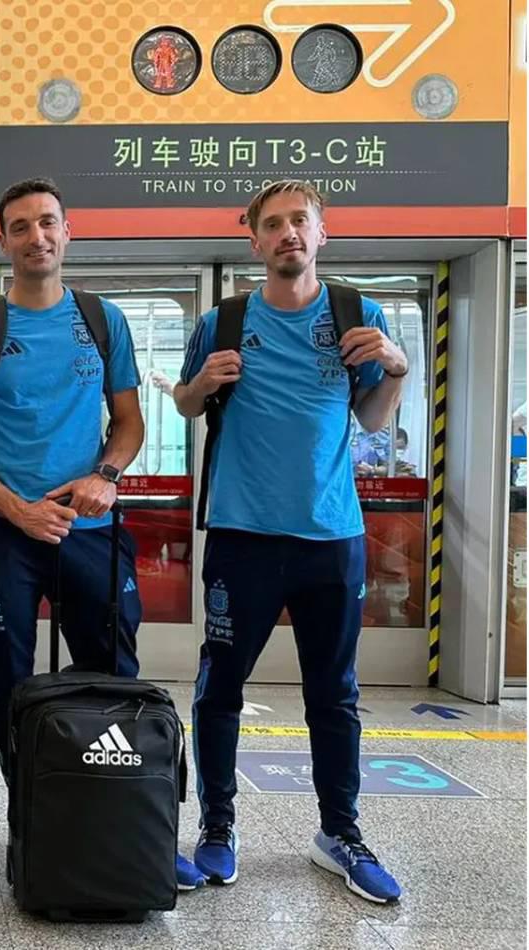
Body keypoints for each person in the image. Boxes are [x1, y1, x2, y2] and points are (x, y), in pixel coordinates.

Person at [0, 177, 202, 890]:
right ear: (4, 241)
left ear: (67, 230)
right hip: (4, 534)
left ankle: (134, 820)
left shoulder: (102, 319)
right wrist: (19, 510)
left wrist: (107, 476)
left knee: (114, 675)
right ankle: (37, 813)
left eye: (47, 222)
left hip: (90, 528)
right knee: (10, 681)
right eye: (19, 227)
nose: (35, 237)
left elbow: (132, 422)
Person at [173, 180, 406, 904]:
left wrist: (396, 368)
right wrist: (199, 383)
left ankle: (340, 833)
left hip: (330, 537)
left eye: (298, 221)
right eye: (271, 225)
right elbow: (184, 403)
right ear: (254, 241)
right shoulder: (224, 321)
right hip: (243, 537)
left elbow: (372, 419)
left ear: (321, 232)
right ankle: (216, 831)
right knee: (219, 691)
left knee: (334, 695)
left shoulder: (355, 314)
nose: (287, 235)